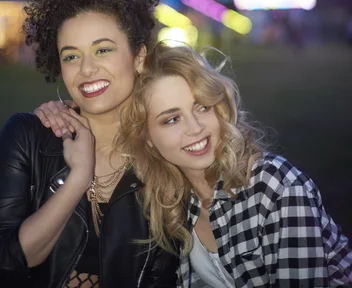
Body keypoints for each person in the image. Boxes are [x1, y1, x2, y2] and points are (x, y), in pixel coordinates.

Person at [36, 43, 352, 287]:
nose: (195, 128)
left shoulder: (276, 186)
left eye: (201, 107)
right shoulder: (174, 204)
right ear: (148, 138)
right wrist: (64, 112)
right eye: (171, 119)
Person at [0, 0, 178, 288]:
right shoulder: (28, 138)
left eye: (102, 50)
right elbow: (1, 266)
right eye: (71, 56)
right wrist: (79, 177)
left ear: (138, 57)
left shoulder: (166, 155)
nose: (87, 69)